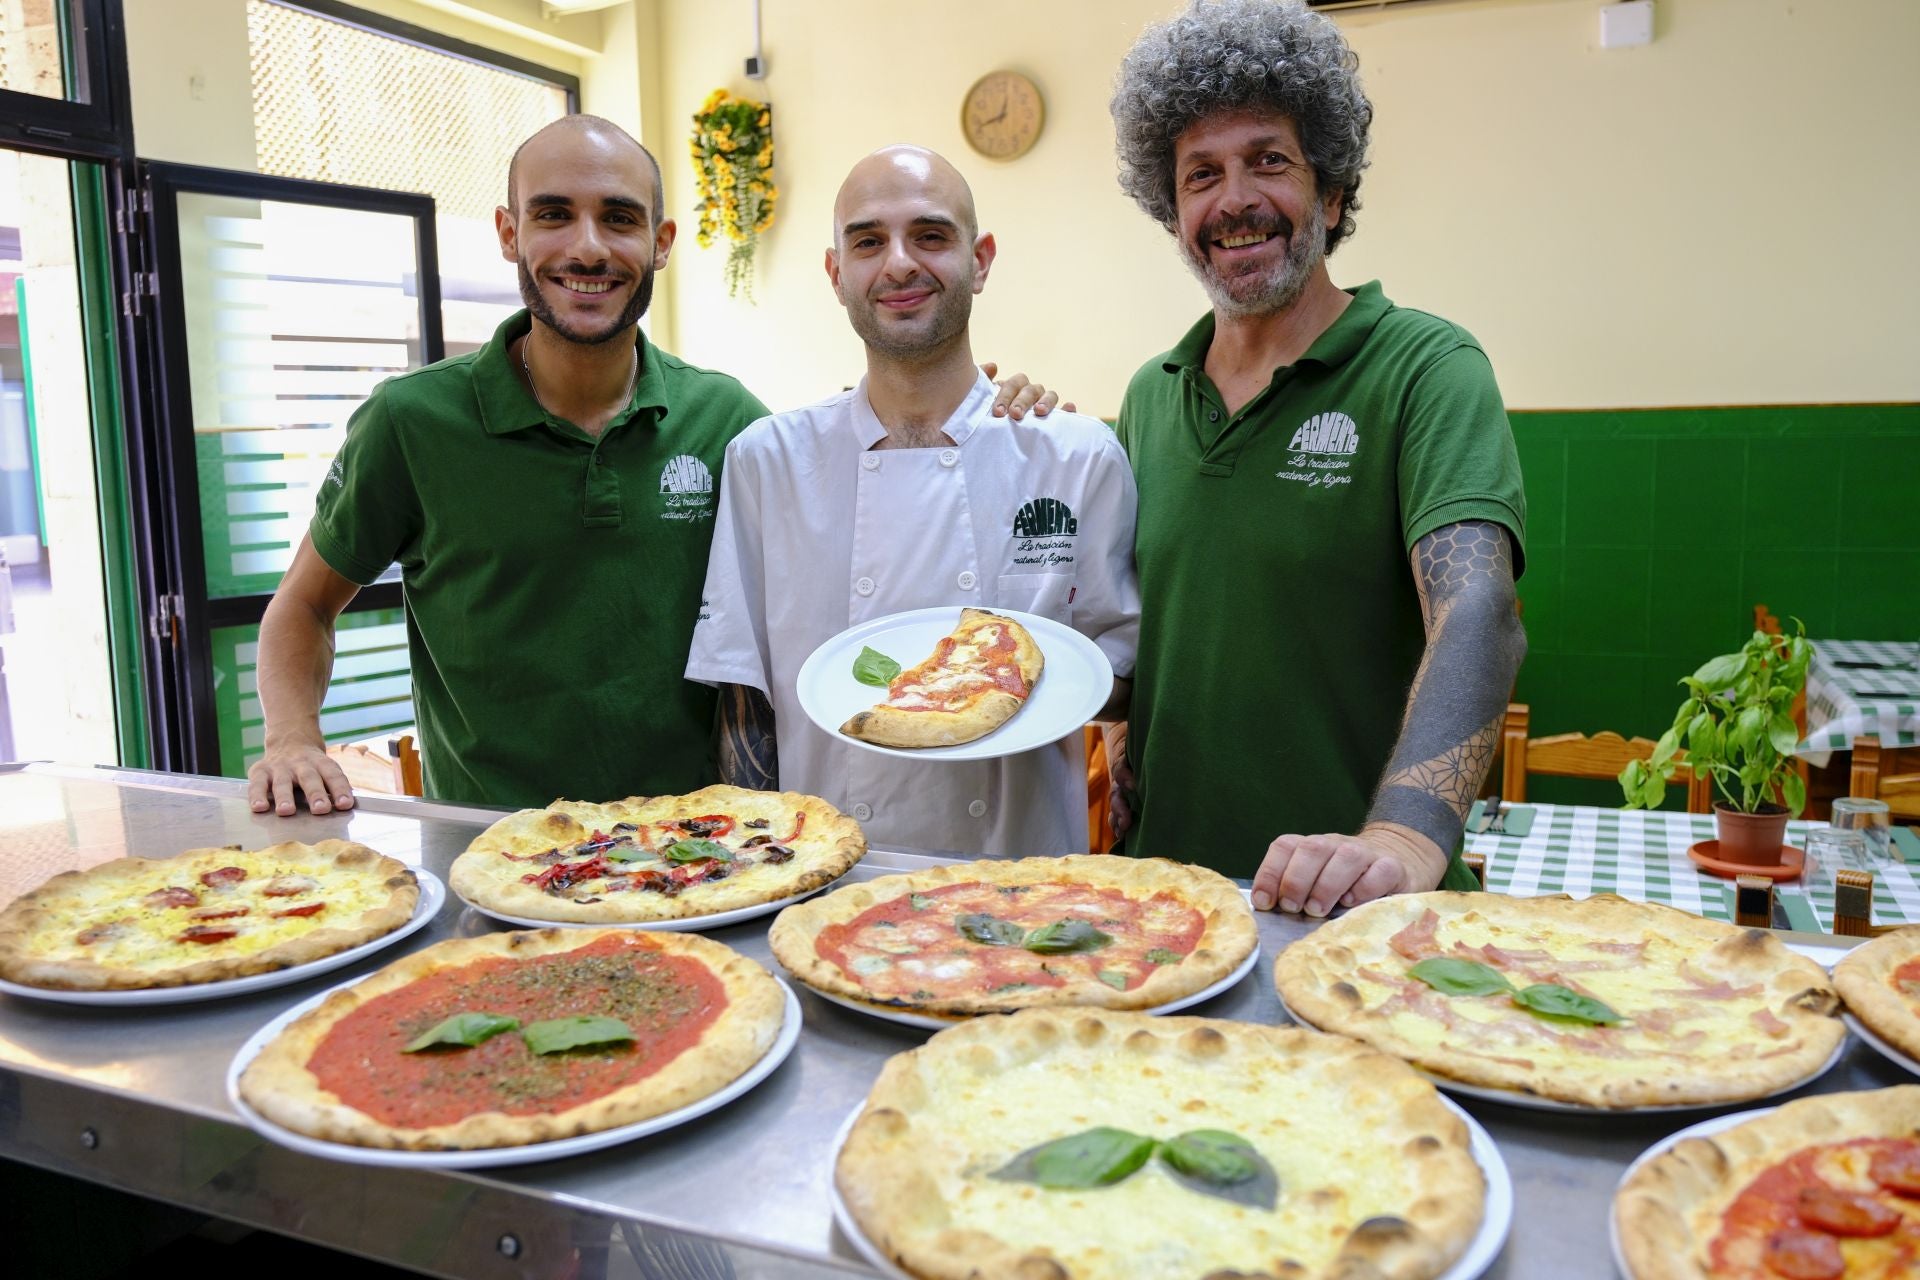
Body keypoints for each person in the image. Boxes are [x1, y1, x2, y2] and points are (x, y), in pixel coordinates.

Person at [246, 116, 1055, 816]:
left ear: (662, 243)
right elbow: (302, 609)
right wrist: (291, 739)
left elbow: (866, 492)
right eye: (554, 215)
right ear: (508, 233)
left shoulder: (727, 420)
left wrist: (992, 412)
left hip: (695, 854)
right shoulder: (412, 422)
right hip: (489, 846)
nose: (588, 248)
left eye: (620, 218)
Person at [1106, 0, 1527, 914]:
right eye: (1200, 174)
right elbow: (1134, 627)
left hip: (1363, 913)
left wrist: (1406, 838)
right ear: (1173, 211)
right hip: (1170, 907)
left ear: (1331, 194)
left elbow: (1480, 612)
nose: (1235, 200)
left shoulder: (1426, 367)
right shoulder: (1149, 395)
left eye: (1269, 160)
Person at [685, 145, 1139, 857]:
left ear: (980, 260)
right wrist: (758, 873)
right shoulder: (767, 462)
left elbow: (1121, 689)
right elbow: (747, 714)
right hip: (828, 869)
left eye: (930, 235)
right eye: (868, 242)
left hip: (1023, 882)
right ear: (836, 275)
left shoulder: (1074, 457)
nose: (898, 263)